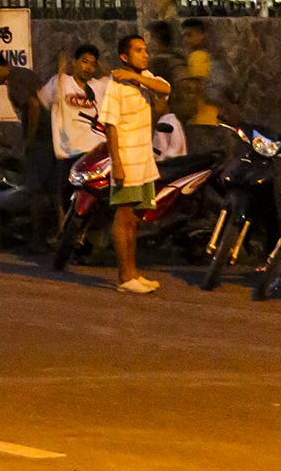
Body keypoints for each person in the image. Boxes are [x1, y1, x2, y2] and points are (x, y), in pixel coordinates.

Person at [97, 31, 171, 294]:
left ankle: (133, 272)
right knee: (124, 216)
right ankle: (124, 276)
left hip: (144, 160)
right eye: (138, 51)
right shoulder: (114, 86)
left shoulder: (145, 80)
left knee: (136, 218)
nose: (145, 54)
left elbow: (166, 88)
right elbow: (110, 127)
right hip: (126, 159)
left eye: (145, 49)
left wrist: (134, 77)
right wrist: (116, 164)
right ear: (124, 56)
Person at [0, 49, 56, 249]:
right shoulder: (24, 73)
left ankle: (38, 240)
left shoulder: (14, 83)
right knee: (51, 189)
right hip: (53, 135)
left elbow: (33, 105)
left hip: (41, 139)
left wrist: (30, 138)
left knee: (35, 189)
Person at [38, 43, 105, 208]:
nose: (89, 67)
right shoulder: (61, 82)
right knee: (66, 200)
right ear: (74, 62)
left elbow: (112, 75)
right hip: (69, 153)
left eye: (92, 63)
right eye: (84, 62)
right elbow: (43, 100)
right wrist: (61, 66)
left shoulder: (99, 86)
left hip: (95, 153)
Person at [182, 19, 235, 155]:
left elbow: (195, 85)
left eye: (190, 35)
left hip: (199, 117)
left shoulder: (196, 57)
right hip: (214, 117)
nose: (186, 40)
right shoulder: (211, 57)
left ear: (201, 35)